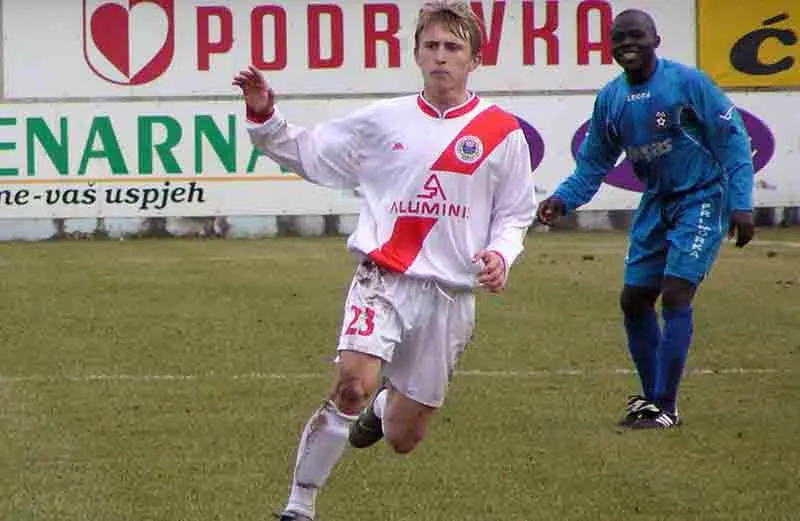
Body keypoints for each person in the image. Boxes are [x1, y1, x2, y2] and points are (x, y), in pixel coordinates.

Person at [233, 2, 536, 519]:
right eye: (431, 46)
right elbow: (310, 153)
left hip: (450, 296)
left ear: (474, 59)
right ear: (417, 53)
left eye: (453, 47)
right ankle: (299, 505)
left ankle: (382, 409)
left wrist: (501, 254)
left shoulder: (501, 132)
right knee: (351, 383)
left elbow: (515, 213)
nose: (441, 57)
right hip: (385, 277)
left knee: (402, 437)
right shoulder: (383, 120)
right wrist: (265, 117)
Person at [537, 9, 755, 429]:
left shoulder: (687, 84)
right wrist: (563, 200)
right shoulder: (611, 99)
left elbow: (732, 137)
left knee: (675, 293)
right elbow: (593, 163)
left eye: (635, 36)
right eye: (618, 39)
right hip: (656, 202)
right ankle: (653, 401)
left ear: (655, 39)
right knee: (634, 299)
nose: (626, 45)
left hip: (701, 196)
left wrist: (741, 203)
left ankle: (665, 406)